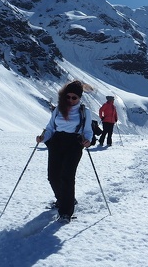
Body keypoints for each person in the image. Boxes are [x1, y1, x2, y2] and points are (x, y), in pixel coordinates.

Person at [36, 80, 93, 223]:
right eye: (68, 97)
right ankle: (63, 199)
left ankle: (66, 212)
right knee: (53, 176)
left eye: (74, 97)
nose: (71, 100)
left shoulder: (84, 112)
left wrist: (88, 141)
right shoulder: (58, 110)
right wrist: (43, 137)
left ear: (80, 98)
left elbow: (87, 131)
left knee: (67, 177)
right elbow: (50, 128)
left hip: (74, 144)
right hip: (56, 142)